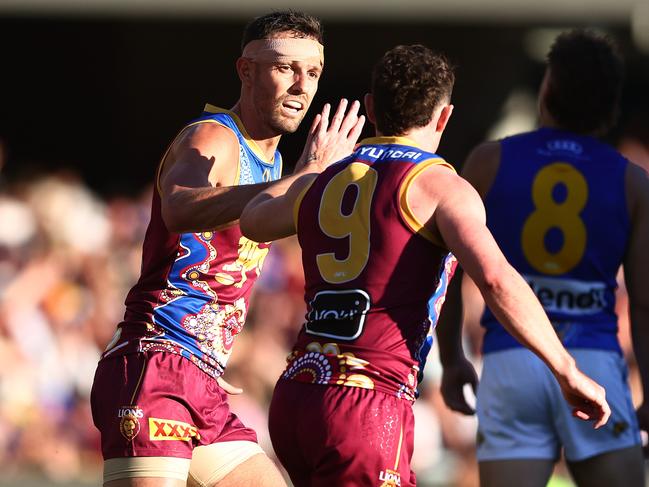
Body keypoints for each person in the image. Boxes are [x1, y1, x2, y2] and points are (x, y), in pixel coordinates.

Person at [239, 44, 610, 487]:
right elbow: (494, 277)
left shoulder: (327, 177)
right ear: (444, 117)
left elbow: (254, 220)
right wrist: (565, 369)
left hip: (297, 394)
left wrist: (310, 166)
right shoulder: (440, 186)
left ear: (372, 108)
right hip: (367, 402)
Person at [90, 10, 365, 487]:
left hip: (201, 376)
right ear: (246, 70)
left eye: (313, 72)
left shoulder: (275, 158)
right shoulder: (214, 135)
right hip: (155, 362)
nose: (302, 85)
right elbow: (178, 207)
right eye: (285, 68)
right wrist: (299, 179)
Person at [437, 29, 649, 487]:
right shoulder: (631, 181)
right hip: (594, 360)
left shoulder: (489, 160)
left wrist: (452, 355)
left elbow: (447, 270)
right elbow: (646, 300)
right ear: (610, 106)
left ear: (547, 90)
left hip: (511, 357)